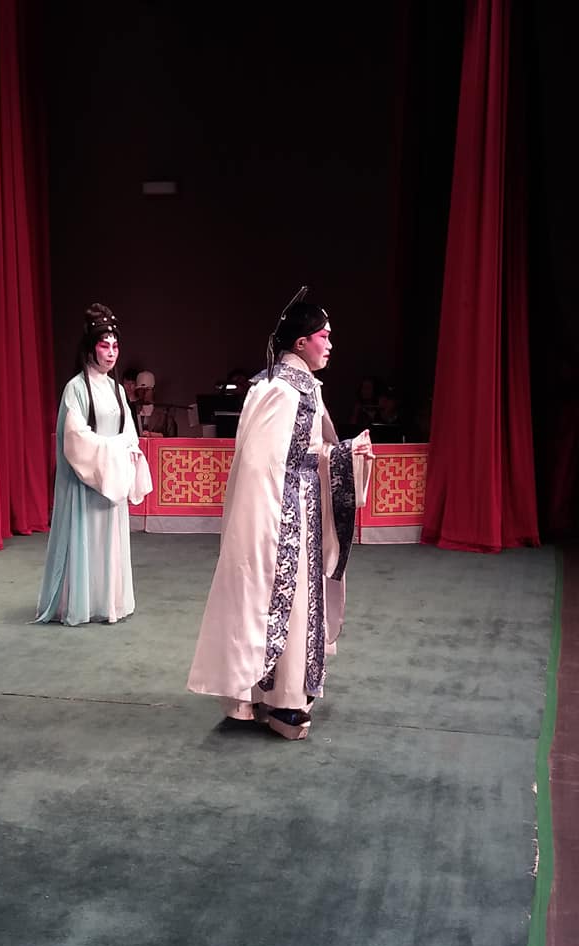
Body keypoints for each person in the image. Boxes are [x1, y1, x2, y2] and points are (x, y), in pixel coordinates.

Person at [187, 286, 374, 740]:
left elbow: (305, 453)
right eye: (324, 336)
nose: (329, 344)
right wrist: (336, 460)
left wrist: (343, 455)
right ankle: (284, 702)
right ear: (301, 342)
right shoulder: (283, 390)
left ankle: (263, 696)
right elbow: (263, 462)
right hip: (282, 516)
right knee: (282, 601)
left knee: (283, 602)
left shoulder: (289, 385)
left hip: (294, 509)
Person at [35, 303, 152, 626]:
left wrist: (126, 449)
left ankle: (108, 601)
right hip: (88, 479)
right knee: (86, 540)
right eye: (104, 345)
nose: (111, 352)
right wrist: (113, 450)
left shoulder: (116, 389)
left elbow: (129, 431)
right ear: (91, 348)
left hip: (111, 476)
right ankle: (80, 603)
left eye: (115, 346)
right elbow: (75, 439)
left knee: (109, 543)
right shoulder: (75, 388)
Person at [133, 370, 178, 437]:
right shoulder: (132, 410)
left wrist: (154, 435)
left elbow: (172, 436)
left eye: (147, 390)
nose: (144, 393)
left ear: (153, 390)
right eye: (141, 390)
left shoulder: (164, 413)